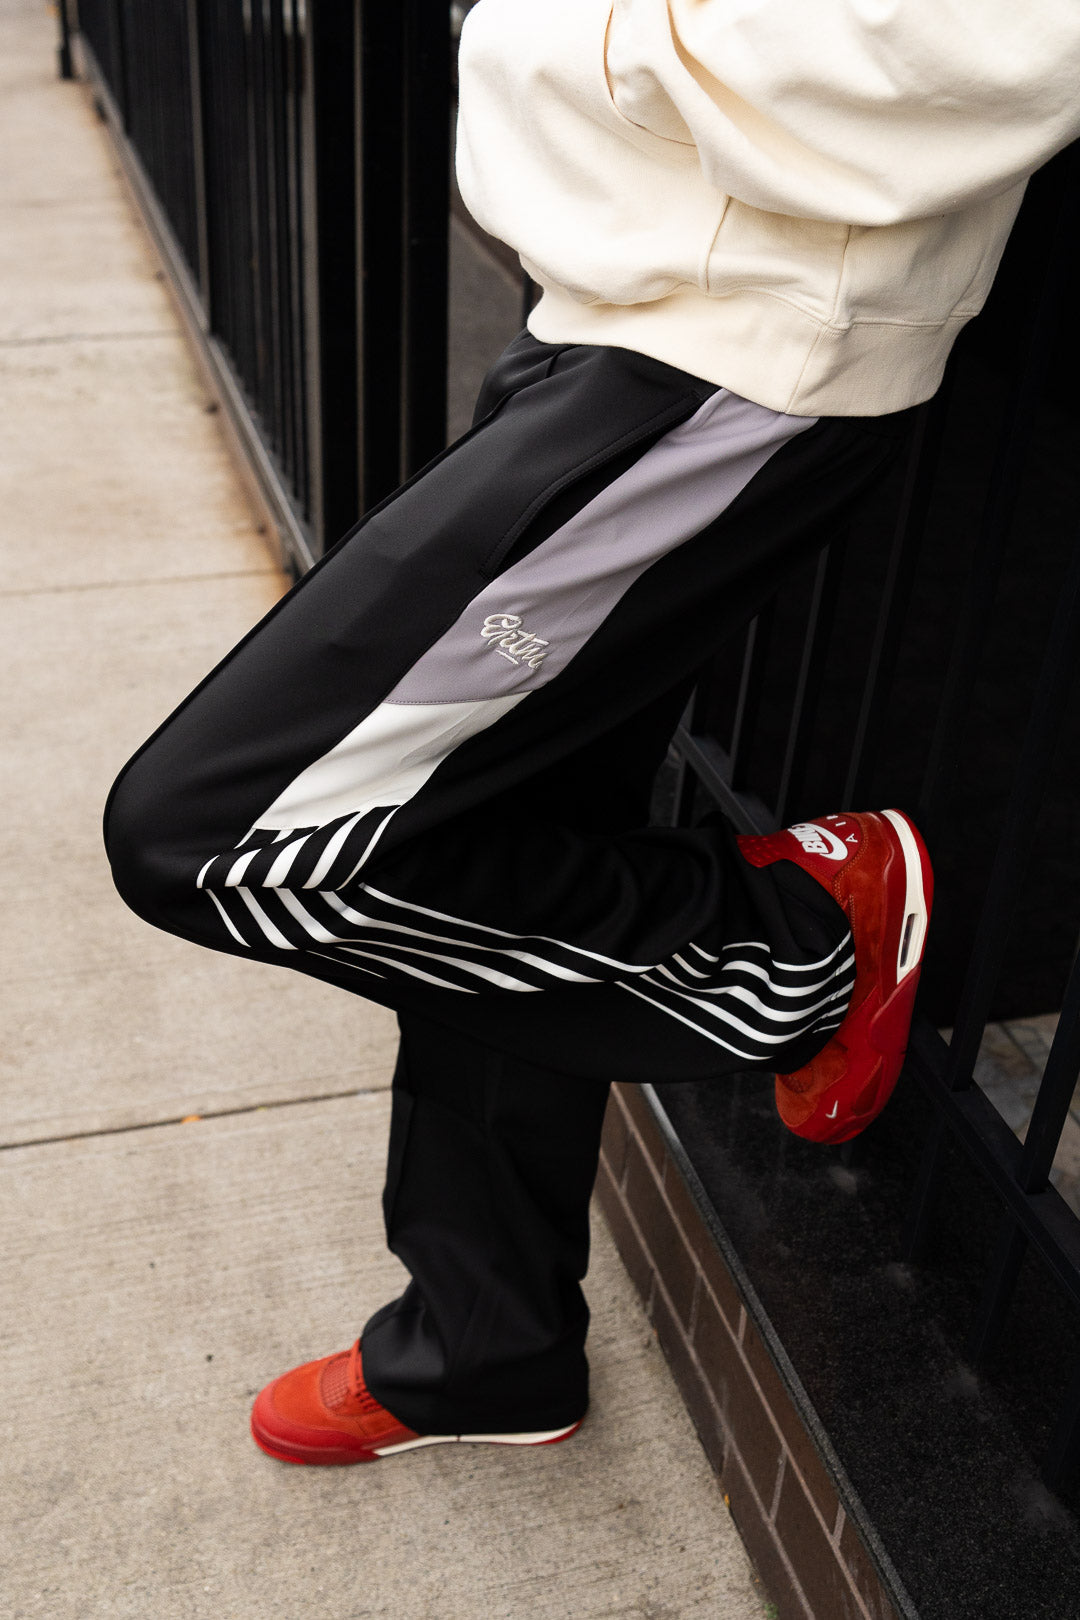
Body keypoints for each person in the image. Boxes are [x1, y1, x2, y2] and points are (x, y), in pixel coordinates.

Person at [103, 0, 1080, 1466]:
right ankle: (483, 1349)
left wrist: (606, 53)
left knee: (209, 836)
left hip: (735, 344)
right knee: (494, 831)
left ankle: (803, 942)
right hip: (620, 307)